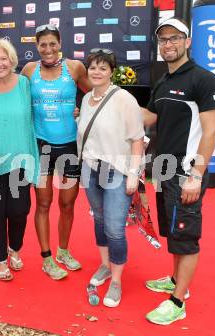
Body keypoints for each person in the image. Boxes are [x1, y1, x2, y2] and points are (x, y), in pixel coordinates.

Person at [142, 18, 215, 325]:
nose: (168, 44)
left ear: (187, 42)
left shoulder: (203, 79)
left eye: (174, 38)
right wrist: (107, 101)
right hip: (163, 171)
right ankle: (175, 280)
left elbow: (210, 132)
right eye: (163, 40)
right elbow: (149, 116)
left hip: (186, 173)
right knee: (175, 233)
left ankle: (178, 302)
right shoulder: (163, 81)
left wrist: (197, 175)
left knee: (186, 237)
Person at [21, 24, 90, 280]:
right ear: (36, 47)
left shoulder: (75, 68)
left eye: (52, 43)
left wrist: (82, 109)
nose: (48, 49)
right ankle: (47, 257)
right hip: (41, 145)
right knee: (43, 202)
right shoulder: (29, 71)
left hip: (70, 145)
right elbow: (15, 96)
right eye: (43, 45)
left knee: (68, 203)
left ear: (60, 43)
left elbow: (96, 93)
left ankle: (63, 251)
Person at [77, 48, 144, 307]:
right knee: (100, 219)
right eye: (92, 67)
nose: (96, 72)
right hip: (91, 169)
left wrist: (133, 175)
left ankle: (116, 280)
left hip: (117, 170)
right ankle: (104, 265)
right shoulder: (85, 99)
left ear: (111, 72)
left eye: (103, 68)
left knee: (115, 228)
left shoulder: (124, 99)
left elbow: (137, 139)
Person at [0, 38, 39, 281]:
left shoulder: (24, 84)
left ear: (12, 60)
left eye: (3, 58)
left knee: (19, 210)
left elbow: (40, 111)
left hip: (20, 159)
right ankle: (0, 260)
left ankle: (14, 248)